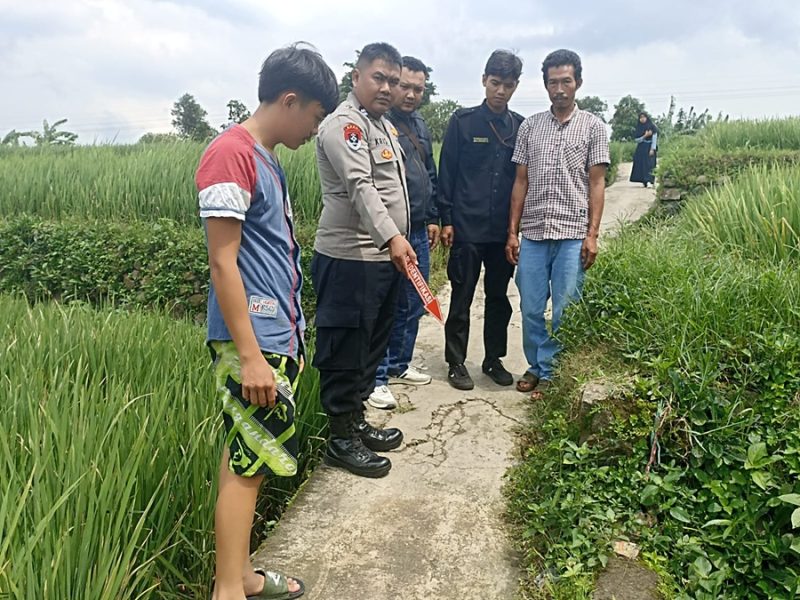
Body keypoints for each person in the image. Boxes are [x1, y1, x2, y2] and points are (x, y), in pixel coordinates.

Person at [196, 44, 338, 600]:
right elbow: (222, 261)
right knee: (247, 464)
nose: (314, 129)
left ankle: (242, 575)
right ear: (289, 99)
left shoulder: (262, 156)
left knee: (249, 457)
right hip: (253, 342)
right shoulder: (230, 153)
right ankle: (229, 588)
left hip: (272, 336)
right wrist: (252, 355)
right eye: (315, 116)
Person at [313, 42, 415, 477]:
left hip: (382, 259)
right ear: (356, 77)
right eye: (379, 77)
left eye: (393, 80)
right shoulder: (345, 125)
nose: (387, 87)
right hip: (351, 257)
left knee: (372, 345)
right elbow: (360, 187)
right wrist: (393, 237)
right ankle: (339, 438)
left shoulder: (384, 126)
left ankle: (355, 423)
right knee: (346, 349)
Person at [506, 48, 609, 401]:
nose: (560, 89)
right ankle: (537, 366)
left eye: (566, 81)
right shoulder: (530, 126)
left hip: (571, 235)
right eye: (553, 82)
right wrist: (512, 231)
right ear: (546, 85)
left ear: (577, 82)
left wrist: (592, 235)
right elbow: (521, 181)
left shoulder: (594, 127)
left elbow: (597, 183)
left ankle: (554, 372)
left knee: (565, 309)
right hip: (533, 233)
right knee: (531, 307)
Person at [438, 50, 524, 391]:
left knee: (499, 298)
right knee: (462, 295)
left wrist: (515, 230)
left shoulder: (520, 127)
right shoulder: (463, 122)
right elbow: (448, 173)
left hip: (501, 230)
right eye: (494, 83)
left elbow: (523, 181)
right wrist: (446, 219)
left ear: (515, 86)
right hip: (466, 226)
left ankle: (493, 359)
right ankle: (456, 362)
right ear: (484, 80)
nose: (500, 91)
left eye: (507, 85)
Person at [369, 55, 439, 410]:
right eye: (405, 86)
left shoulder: (420, 126)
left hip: (416, 230)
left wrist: (433, 216)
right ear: (394, 84)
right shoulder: (378, 123)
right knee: (386, 305)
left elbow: (428, 172)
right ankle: (377, 377)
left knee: (416, 301)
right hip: (388, 234)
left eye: (419, 89)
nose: (411, 95)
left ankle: (400, 363)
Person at [630, 111, 658, 187]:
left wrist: (652, 149)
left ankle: (650, 180)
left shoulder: (652, 126)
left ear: (647, 117)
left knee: (650, 164)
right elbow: (637, 140)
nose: (642, 119)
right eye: (641, 117)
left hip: (650, 147)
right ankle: (644, 181)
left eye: (644, 117)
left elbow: (654, 138)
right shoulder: (639, 128)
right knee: (641, 164)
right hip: (641, 148)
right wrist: (645, 136)